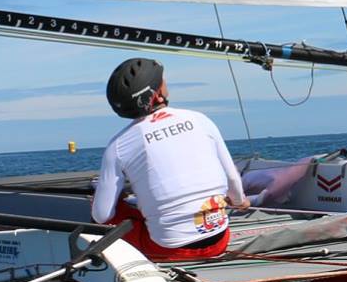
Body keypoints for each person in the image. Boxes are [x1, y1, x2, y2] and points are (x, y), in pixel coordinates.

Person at [91, 57, 248, 261]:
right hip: (218, 241)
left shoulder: (118, 145)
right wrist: (239, 201)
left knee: (108, 207)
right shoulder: (200, 120)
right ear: (156, 94)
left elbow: (101, 216)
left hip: (167, 251)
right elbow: (232, 179)